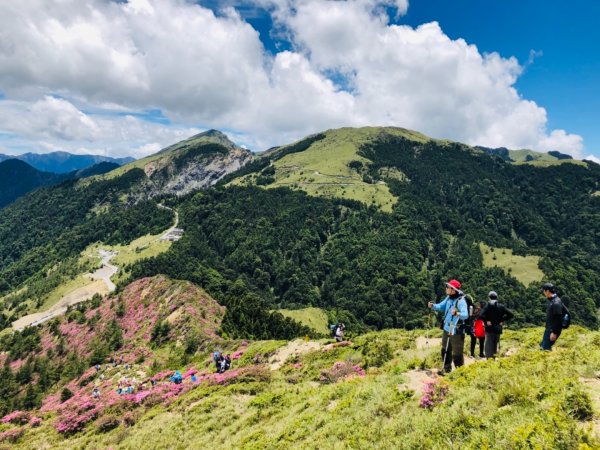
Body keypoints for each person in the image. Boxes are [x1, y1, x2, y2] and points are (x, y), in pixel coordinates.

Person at [428, 279, 469, 374]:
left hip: (457, 330)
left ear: (453, 290)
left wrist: (457, 313)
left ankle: (460, 373)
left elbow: (465, 315)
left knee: (457, 354)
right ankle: (447, 369)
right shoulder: (449, 298)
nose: (446, 288)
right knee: (445, 349)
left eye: (448, 287)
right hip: (447, 328)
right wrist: (433, 306)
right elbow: (441, 306)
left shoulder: (461, 301)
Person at [478, 291, 514, 359]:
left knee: (489, 344)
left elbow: (480, 315)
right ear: (497, 297)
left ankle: (489, 360)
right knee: (495, 343)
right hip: (498, 328)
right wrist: (502, 320)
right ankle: (494, 358)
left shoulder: (487, 306)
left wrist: (486, 320)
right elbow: (511, 314)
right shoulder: (501, 306)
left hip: (489, 328)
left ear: (489, 298)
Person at [540, 282, 564, 351]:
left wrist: (554, 332)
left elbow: (558, 318)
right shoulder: (552, 300)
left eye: (544, 291)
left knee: (545, 349)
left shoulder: (556, 302)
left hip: (552, 330)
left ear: (547, 291)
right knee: (543, 347)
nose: (543, 293)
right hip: (549, 329)